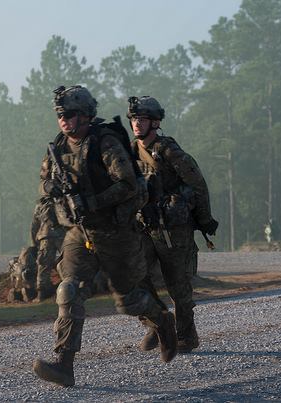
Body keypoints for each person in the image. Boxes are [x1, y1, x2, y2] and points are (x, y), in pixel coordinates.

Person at [32, 86, 178, 387]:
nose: (63, 120)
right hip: (80, 232)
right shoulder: (58, 147)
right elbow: (43, 183)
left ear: (85, 115)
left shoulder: (105, 143)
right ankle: (64, 364)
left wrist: (93, 202)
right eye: (60, 115)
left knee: (129, 301)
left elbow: (128, 184)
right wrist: (52, 189)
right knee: (69, 291)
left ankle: (163, 321)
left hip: (115, 232)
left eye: (69, 114)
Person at [127, 96, 218, 353]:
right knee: (134, 278)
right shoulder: (130, 152)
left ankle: (187, 337)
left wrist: (205, 219)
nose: (136, 124)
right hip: (145, 227)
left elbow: (197, 184)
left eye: (141, 119)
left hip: (174, 231)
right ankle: (157, 324)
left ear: (155, 123)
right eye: (134, 119)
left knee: (178, 287)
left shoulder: (168, 151)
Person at [29, 196, 65, 301]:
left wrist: (34, 244)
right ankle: (69, 287)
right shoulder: (62, 199)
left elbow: (34, 225)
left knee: (44, 265)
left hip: (45, 236)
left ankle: (41, 293)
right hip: (62, 235)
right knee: (67, 261)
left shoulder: (40, 205)